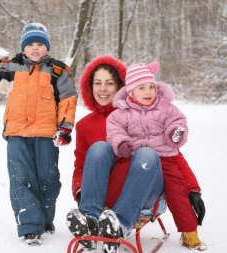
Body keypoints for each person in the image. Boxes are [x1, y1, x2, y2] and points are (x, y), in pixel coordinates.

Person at [66, 56, 205, 253]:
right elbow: (80, 166)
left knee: (147, 153)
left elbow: (173, 156)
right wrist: (80, 191)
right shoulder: (85, 126)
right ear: (90, 87)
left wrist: (192, 189)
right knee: (99, 147)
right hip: (104, 193)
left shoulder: (139, 114)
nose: (103, 89)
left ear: (121, 86)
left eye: (109, 83)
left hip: (143, 187)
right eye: (97, 83)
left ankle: (120, 224)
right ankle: (90, 218)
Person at [0, 23, 78, 246]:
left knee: (48, 179)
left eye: (40, 44)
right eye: (30, 44)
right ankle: (30, 226)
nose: (35, 49)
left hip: (46, 135)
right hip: (17, 134)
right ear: (23, 48)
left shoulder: (56, 71)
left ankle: (44, 219)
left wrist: (65, 128)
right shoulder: (12, 68)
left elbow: (68, 100)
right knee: (21, 178)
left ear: (47, 48)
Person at [106, 60, 206, 250]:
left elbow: (177, 121)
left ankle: (189, 232)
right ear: (130, 91)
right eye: (141, 88)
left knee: (177, 190)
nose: (148, 92)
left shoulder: (165, 107)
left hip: (164, 158)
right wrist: (122, 142)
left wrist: (175, 131)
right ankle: (108, 214)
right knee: (119, 175)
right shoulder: (122, 112)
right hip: (135, 159)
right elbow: (115, 130)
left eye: (151, 86)